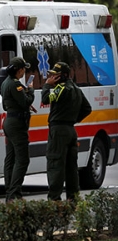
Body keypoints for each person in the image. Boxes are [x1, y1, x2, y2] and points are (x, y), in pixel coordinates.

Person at [41, 62, 92, 201]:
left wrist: (46, 85)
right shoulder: (76, 89)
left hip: (58, 131)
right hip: (70, 130)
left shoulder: (61, 89)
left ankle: (54, 200)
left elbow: (45, 99)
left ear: (63, 76)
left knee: (55, 163)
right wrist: (72, 120)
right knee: (71, 167)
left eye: (55, 75)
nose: (52, 76)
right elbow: (87, 109)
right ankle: (73, 199)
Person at [0, 57, 35, 202]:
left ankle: (9, 191)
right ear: (19, 70)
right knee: (22, 160)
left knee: (11, 158)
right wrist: (31, 90)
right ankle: (15, 193)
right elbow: (26, 101)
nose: (24, 72)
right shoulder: (15, 85)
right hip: (17, 125)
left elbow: (6, 105)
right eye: (23, 69)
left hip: (9, 121)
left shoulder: (5, 83)